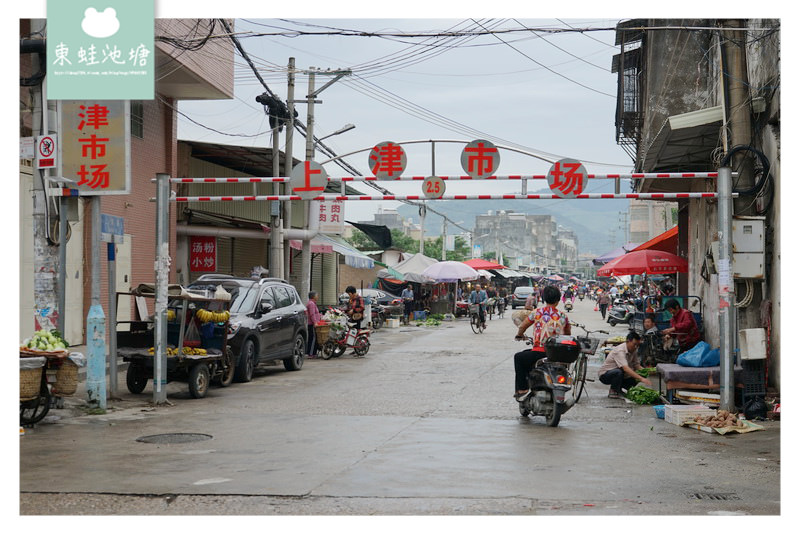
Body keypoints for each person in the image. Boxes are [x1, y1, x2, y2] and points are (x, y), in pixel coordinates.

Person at [513, 285, 571, 401]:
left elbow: (523, 326)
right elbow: (568, 334)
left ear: (544, 298)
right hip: (557, 355)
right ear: (558, 300)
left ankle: (523, 389)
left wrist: (520, 334)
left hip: (539, 353)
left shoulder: (537, 313)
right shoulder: (563, 316)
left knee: (519, 357)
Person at [598, 331, 651, 399]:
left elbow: (636, 365)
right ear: (628, 341)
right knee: (619, 372)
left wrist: (647, 372)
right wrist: (641, 379)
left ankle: (619, 389)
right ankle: (613, 391)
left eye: (637, 345)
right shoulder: (620, 351)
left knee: (638, 374)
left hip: (622, 374)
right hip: (605, 375)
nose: (636, 347)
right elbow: (625, 368)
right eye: (634, 344)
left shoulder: (634, 350)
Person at [305, 291, 322, 357]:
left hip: (312, 323)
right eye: (317, 295)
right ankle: (311, 353)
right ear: (313, 297)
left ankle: (312, 353)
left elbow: (315, 313)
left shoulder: (312, 303)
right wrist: (315, 322)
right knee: (313, 338)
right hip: (311, 324)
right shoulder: (311, 304)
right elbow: (312, 314)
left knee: (312, 338)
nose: (317, 297)